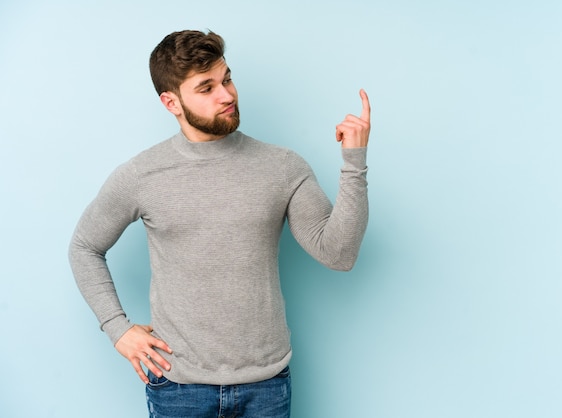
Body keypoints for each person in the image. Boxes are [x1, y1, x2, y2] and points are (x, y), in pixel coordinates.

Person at [69, 29, 370, 418]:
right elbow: (84, 247)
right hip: (178, 388)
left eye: (226, 79)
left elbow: (339, 254)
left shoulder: (282, 166)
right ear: (171, 102)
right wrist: (117, 328)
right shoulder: (142, 174)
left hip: (267, 386)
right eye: (206, 87)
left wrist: (354, 160)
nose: (226, 94)